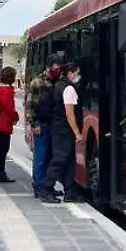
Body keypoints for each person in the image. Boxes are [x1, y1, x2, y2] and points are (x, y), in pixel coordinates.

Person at [40, 63, 83, 204]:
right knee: (58, 160)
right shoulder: (69, 89)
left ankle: (70, 192)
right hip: (64, 130)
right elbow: (70, 114)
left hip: (59, 129)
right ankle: (46, 189)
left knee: (69, 161)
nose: (78, 76)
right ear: (70, 73)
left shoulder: (58, 85)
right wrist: (77, 132)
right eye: (77, 73)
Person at [25, 54, 64, 198]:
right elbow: (30, 106)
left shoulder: (57, 81)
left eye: (60, 69)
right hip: (41, 124)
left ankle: (48, 186)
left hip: (54, 125)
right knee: (40, 158)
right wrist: (34, 124)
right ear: (48, 67)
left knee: (50, 157)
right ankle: (38, 186)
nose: (58, 71)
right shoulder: (38, 82)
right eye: (56, 68)